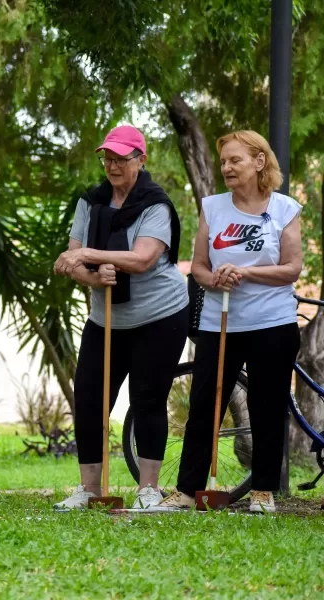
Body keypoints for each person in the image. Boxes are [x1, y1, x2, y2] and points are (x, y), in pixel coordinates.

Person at [158, 130, 302, 514]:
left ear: (259, 162)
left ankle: (263, 492)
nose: (226, 168)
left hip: (273, 323)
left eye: (235, 160)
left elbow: (292, 268)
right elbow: (200, 267)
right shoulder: (213, 207)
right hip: (219, 322)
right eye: (223, 162)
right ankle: (186, 492)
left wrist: (247, 273)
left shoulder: (285, 209)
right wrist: (214, 277)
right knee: (205, 404)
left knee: (267, 406)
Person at [53, 125, 189, 510]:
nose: (112, 165)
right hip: (106, 318)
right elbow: (71, 260)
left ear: (140, 160)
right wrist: (93, 274)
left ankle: (148, 489)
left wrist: (92, 258)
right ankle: (90, 489)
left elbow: (144, 259)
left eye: (120, 158)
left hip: (159, 316)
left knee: (147, 398)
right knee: (91, 398)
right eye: (107, 158)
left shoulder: (154, 203)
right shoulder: (91, 201)